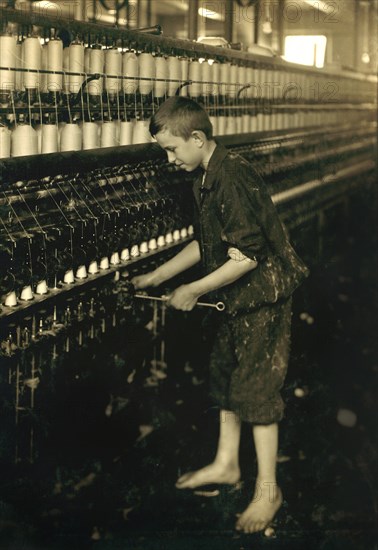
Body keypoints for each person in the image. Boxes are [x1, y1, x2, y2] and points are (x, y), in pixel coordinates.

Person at [131, 96, 309, 534]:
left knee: (258, 392)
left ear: (198, 138)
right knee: (228, 380)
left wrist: (191, 289)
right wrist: (157, 275)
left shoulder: (232, 176)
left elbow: (246, 256)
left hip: (261, 299)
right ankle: (228, 464)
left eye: (173, 150)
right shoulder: (206, 175)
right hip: (236, 300)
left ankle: (269, 492)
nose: (171, 160)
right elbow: (206, 242)